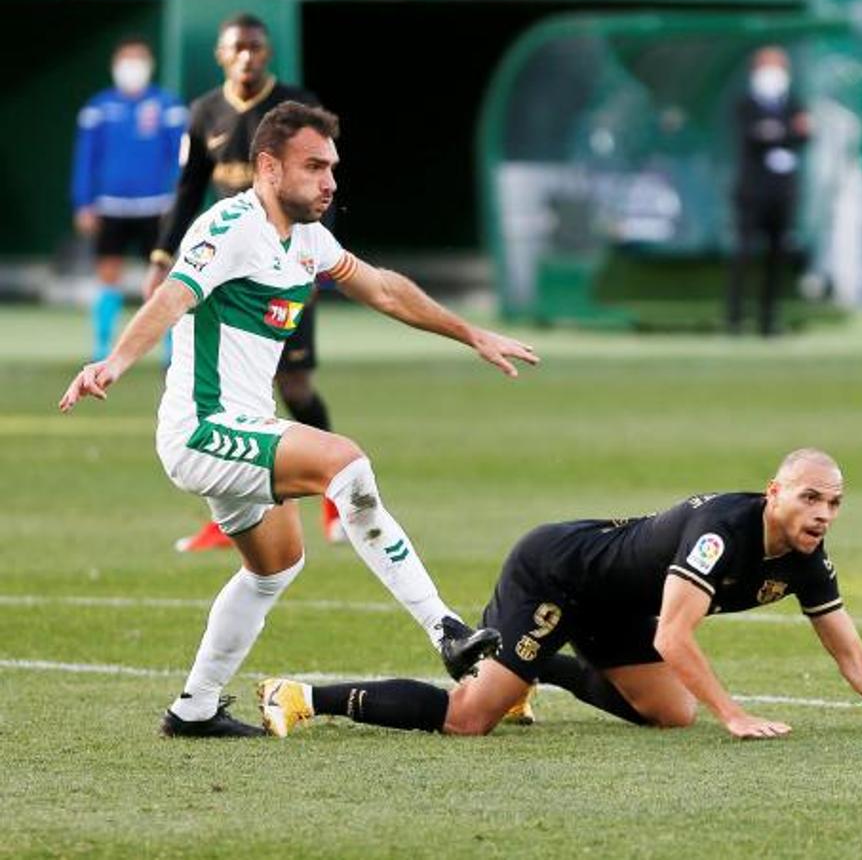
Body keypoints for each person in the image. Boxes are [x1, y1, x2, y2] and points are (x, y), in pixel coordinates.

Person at [60, 101, 540, 737]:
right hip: (202, 430)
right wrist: (114, 363)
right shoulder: (229, 227)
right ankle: (444, 628)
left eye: (332, 167)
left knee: (275, 568)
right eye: (314, 166)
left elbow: (384, 288)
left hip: (243, 431)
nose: (330, 182)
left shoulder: (309, 239)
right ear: (267, 167)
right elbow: (173, 296)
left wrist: (469, 332)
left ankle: (194, 709)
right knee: (345, 462)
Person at [256, 449, 862, 741]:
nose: (823, 514)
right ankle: (299, 696)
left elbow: (850, 653)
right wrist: (734, 715)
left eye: (835, 503)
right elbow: (674, 637)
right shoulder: (722, 532)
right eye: (810, 498)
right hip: (557, 572)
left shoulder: (806, 556)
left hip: (615, 605)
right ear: (775, 493)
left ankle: (528, 671)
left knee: (670, 714)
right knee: (467, 718)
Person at [148, 13, 345, 552]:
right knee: (226, 396)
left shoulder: (293, 109)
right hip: (229, 274)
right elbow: (187, 189)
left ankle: (335, 502)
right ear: (220, 54)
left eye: (256, 48)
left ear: (268, 53)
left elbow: (320, 184)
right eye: (237, 48)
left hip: (285, 269)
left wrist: (312, 254)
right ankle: (228, 514)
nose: (247, 57)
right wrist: (163, 256)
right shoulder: (204, 113)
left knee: (295, 386)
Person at [70, 35, 186, 361]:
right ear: (115, 66)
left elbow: (182, 159)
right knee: (108, 274)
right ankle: (102, 347)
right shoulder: (98, 108)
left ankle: (170, 350)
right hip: (110, 206)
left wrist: (177, 202)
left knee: (165, 277)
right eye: (126, 60)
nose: (132, 68)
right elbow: (86, 159)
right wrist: (83, 203)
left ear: (149, 66)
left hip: (157, 206)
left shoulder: (168, 105)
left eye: (139, 60)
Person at [727, 46, 809, 338]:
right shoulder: (746, 102)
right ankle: (734, 318)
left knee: (776, 258)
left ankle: (768, 320)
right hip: (752, 191)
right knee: (744, 255)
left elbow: (804, 134)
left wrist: (778, 132)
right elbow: (754, 136)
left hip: (782, 192)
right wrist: (785, 132)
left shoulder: (792, 102)